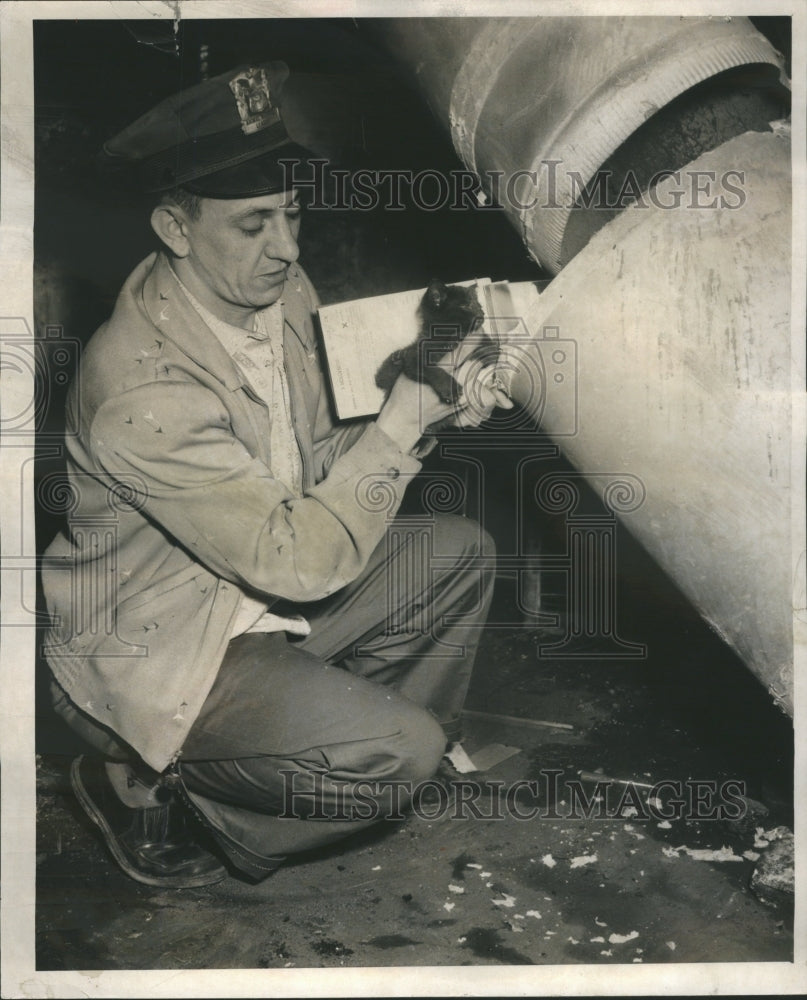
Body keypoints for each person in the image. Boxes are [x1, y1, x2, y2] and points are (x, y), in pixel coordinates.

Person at [41, 61, 512, 887]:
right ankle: (166, 797)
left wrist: (425, 412)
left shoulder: (276, 291)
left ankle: (323, 744)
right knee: (398, 757)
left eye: (290, 214)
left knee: (457, 555)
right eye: (253, 224)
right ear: (174, 229)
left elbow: (319, 460)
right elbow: (298, 562)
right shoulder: (141, 388)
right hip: (164, 647)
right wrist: (399, 425)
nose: (287, 248)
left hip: (258, 590)